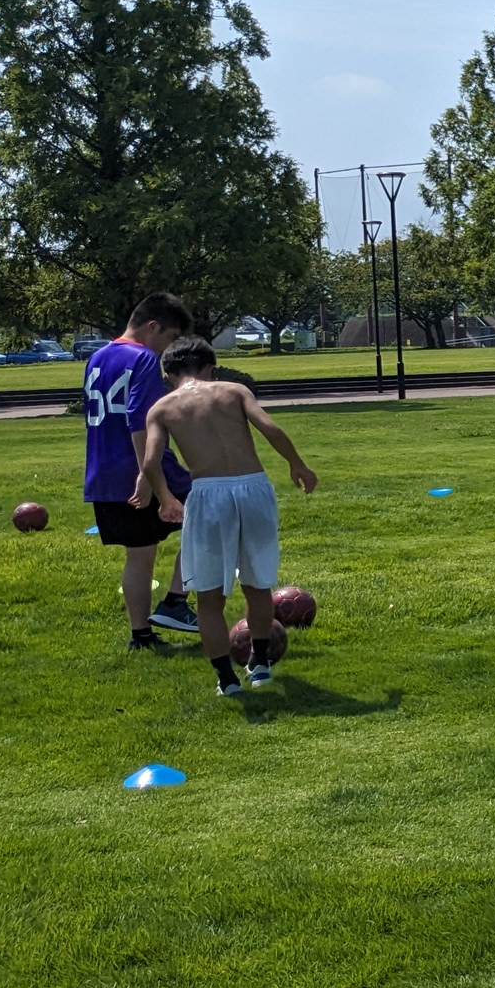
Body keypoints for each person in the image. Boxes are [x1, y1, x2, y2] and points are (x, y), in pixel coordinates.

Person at [131, 338, 316, 696]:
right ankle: (259, 664)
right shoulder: (234, 391)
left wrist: (166, 498)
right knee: (258, 586)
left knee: (209, 597)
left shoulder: (162, 408)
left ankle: (227, 679)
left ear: (168, 374)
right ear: (209, 368)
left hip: (208, 493)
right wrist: (297, 464)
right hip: (254, 488)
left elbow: (151, 463)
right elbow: (269, 427)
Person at [83, 292, 199, 648]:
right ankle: (175, 601)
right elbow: (140, 420)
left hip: (103, 473)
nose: (167, 350)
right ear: (152, 326)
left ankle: (141, 636)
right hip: (141, 467)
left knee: (139, 552)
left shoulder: (98, 356)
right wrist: (149, 477)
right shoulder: (144, 358)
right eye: (170, 338)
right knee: (213, 513)